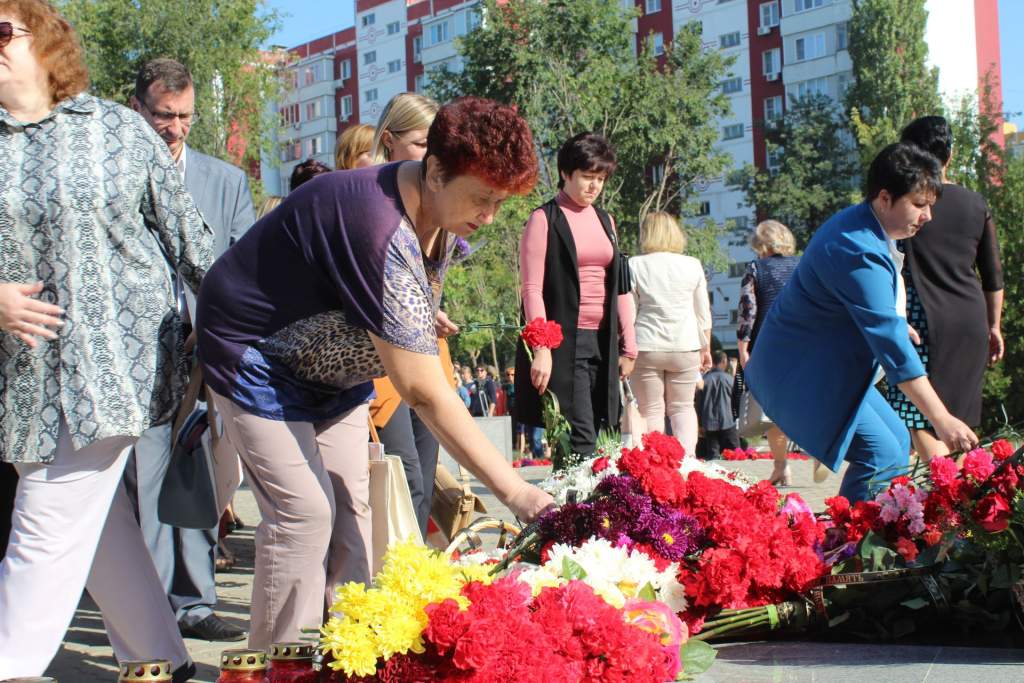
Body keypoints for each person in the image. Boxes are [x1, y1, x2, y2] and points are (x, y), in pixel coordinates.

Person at [194, 96, 553, 648]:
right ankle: (275, 664)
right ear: (434, 170)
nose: (489, 216)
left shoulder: (431, 208)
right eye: (482, 198)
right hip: (255, 359)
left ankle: (351, 652)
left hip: (331, 372)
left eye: (500, 202)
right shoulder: (376, 222)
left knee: (353, 515)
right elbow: (421, 389)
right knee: (304, 515)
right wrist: (518, 493)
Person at [0, 2, 212, 679]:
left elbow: (193, 242)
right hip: (23, 382)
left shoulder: (118, 130)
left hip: (114, 367)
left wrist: (264, 317)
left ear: (49, 43)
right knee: (96, 528)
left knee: (42, 528)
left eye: (3, 31)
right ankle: (162, 658)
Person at [746, 142, 979, 503]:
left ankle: (856, 544)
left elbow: (867, 313)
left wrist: (897, 328)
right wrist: (941, 419)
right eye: (919, 204)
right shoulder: (857, 248)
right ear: (885, 198)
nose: (928, 216)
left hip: (819, 366)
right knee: (882, 455)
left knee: (897, 443)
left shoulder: (864, 228)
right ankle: (848, 551)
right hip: (798, 373)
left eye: (930, 205)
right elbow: (892, 347)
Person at [127, 57, 254, 643]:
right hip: (140, 355)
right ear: (137, 109)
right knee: (148, 476)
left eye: (184, 117)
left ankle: (197, 599)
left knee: (200, 475)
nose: (174, 128)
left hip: (208, 354)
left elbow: (245, 266)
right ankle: (153, 607)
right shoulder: (118, 175)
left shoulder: (225, 182)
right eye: (163, 115)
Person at [884, 116, 1004, 460]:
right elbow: (993, 276)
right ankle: (964, 494)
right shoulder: (976, 204)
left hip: (923, 323)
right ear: (949, 156)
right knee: (960, 418)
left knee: (918, 414)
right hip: (971, 321)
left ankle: (948, 494)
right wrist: (993, 326)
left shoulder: (909, 203)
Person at [515, 132, 637, 460]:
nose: (594, 186)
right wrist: (541, 348)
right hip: (566, 342)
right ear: (566, 173)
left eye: (600, 179)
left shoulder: (605, 220)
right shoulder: (544, 219)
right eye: (587, 177)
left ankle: (574, 505)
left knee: (601, 432)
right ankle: (577, 507)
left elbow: (620, 285)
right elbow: (531, 290)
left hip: (604, 341)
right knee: (580, 436)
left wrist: (630, 345)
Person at [367, 91, 448, 540]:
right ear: (389, 140)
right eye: (420, 142)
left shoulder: (436, 201)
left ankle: (412, 584)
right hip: (379, 362)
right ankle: (391, 583)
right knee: (404, 477)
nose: (430, 154)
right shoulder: (369, 197)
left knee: (426, 475)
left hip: (429, 354)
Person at [628, 211, 712, 457]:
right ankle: (686, 463)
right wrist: (705, 348)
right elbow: (702, 312)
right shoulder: (692, 264)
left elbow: (630, 312)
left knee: (650, 410)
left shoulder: (634, 264)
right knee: (683, 408)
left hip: (647, 345)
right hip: (685, 345)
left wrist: (625, 349)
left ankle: (653, 466)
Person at [735, 220, 800, 486]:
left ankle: (781, 466)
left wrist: (743, 349)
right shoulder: (802, 266)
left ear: (761, 245)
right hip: (801, 346)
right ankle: (818, 456)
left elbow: (747, 310)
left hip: (768, 347)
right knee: (803, 405)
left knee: (773, 411)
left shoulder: (756, 268)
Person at [372, 91, 437, 163]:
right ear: (388, 140)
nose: (433, 154)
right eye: (422, 144)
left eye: (438, 146)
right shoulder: (365, 174)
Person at [697, 352, 740, 460]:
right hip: (728, 419)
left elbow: (699, 402)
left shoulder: (704, 380)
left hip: (709, 420)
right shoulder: (730, 379)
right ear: (724, 362)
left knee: (713, 454)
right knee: (736, 452)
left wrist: (700, 422)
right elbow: (737, 400)